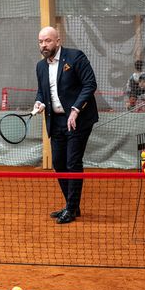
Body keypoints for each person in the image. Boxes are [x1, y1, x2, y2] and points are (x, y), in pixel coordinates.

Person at [33, 26, 98, 224]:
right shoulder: (40, 66)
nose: (44, 45)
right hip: (56, 121)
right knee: (59, 164)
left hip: (78, 119)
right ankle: (73, 206)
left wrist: (76, 109)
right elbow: (42, 91)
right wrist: (39, 102)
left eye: (48, 41)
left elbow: (90, 84)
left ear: (58, 41)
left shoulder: (76, 57)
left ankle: (70, 208)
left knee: (72, 163)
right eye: (41, 42)